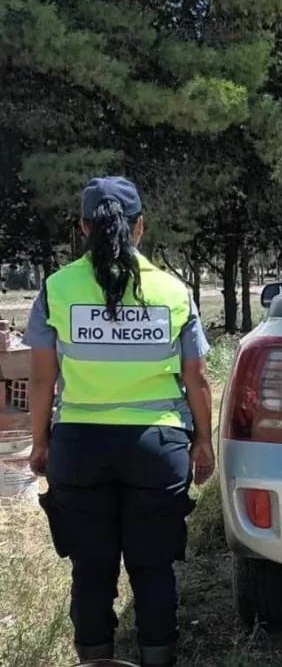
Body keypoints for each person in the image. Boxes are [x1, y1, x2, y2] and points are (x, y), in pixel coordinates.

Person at [22, 177, 216, 667]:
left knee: (91, 569)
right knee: (153, 569)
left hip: (79, 448)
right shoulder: (173, 291)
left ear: (84, 227)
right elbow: (198, 381)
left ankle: (94, 660)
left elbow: (42, 381)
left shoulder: (56, 289)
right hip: (158, 448)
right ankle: (157, 658)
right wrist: (203, 444)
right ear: (140, 227)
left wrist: (40, 443)